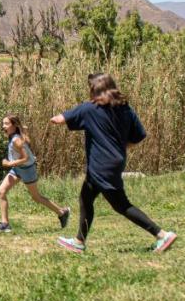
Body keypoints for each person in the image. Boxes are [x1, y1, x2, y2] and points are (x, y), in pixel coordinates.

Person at [49, 73, 177, 254]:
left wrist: (53, 118)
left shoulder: (89, 109)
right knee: (86, 197)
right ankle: (78, 241)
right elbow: (138, 136)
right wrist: (119, 149)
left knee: (121, 205)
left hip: (100, 165)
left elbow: (60, 119)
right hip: (115, 162)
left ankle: (162, 234)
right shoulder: (125, 109)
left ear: (95, 90)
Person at [0, 114, 71, 233]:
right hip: (17, 169)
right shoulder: (12, 136)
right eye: (3, 123)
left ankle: (62, 212)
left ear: (14, 125)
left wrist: (8, 164)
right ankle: (5, 224)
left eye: (6, 124)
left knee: (36, 197)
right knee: (1, 192)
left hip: (27, 170)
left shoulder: (16, 140)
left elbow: (26, 158)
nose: (3, 126)